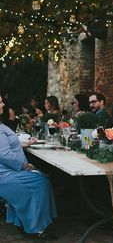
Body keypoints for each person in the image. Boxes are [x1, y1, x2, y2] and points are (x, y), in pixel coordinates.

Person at [0, 93, 57, 240]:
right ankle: (36, 227)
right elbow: (4, 155)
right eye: (0, 102)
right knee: (40, 182)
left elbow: (6, 145)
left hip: (9, 170)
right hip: (6, 173)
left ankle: (24, 222)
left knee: (39, 176)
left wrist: (25, 144)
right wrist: (25, 165)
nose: (3, 105)